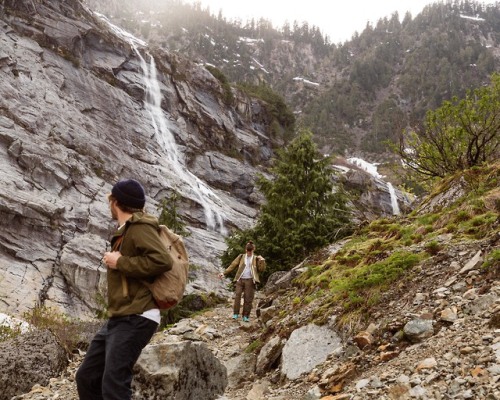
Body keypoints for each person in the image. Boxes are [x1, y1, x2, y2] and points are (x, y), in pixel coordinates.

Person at [76, 179, 173, 400]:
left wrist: (120, 262)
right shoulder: (127, 230)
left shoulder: (140, 227)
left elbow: (162, 261)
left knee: (114, 384)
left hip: (137, 316)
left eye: (110, 200)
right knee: (87, 376)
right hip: (120, 316)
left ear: (116, 202)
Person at [218, 241, 265, 322]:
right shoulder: (241, 257)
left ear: (253, 250)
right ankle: (235, 314)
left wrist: (262, 261)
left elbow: (262, 269)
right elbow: (233, 265)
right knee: (237, 296)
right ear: (245, 249)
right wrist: (224, 273)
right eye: (247, 250)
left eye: (250, 251)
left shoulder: (256, 258)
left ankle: (245, 316)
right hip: (240, 279)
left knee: (248, 298)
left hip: (250, 280)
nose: (249, 252)